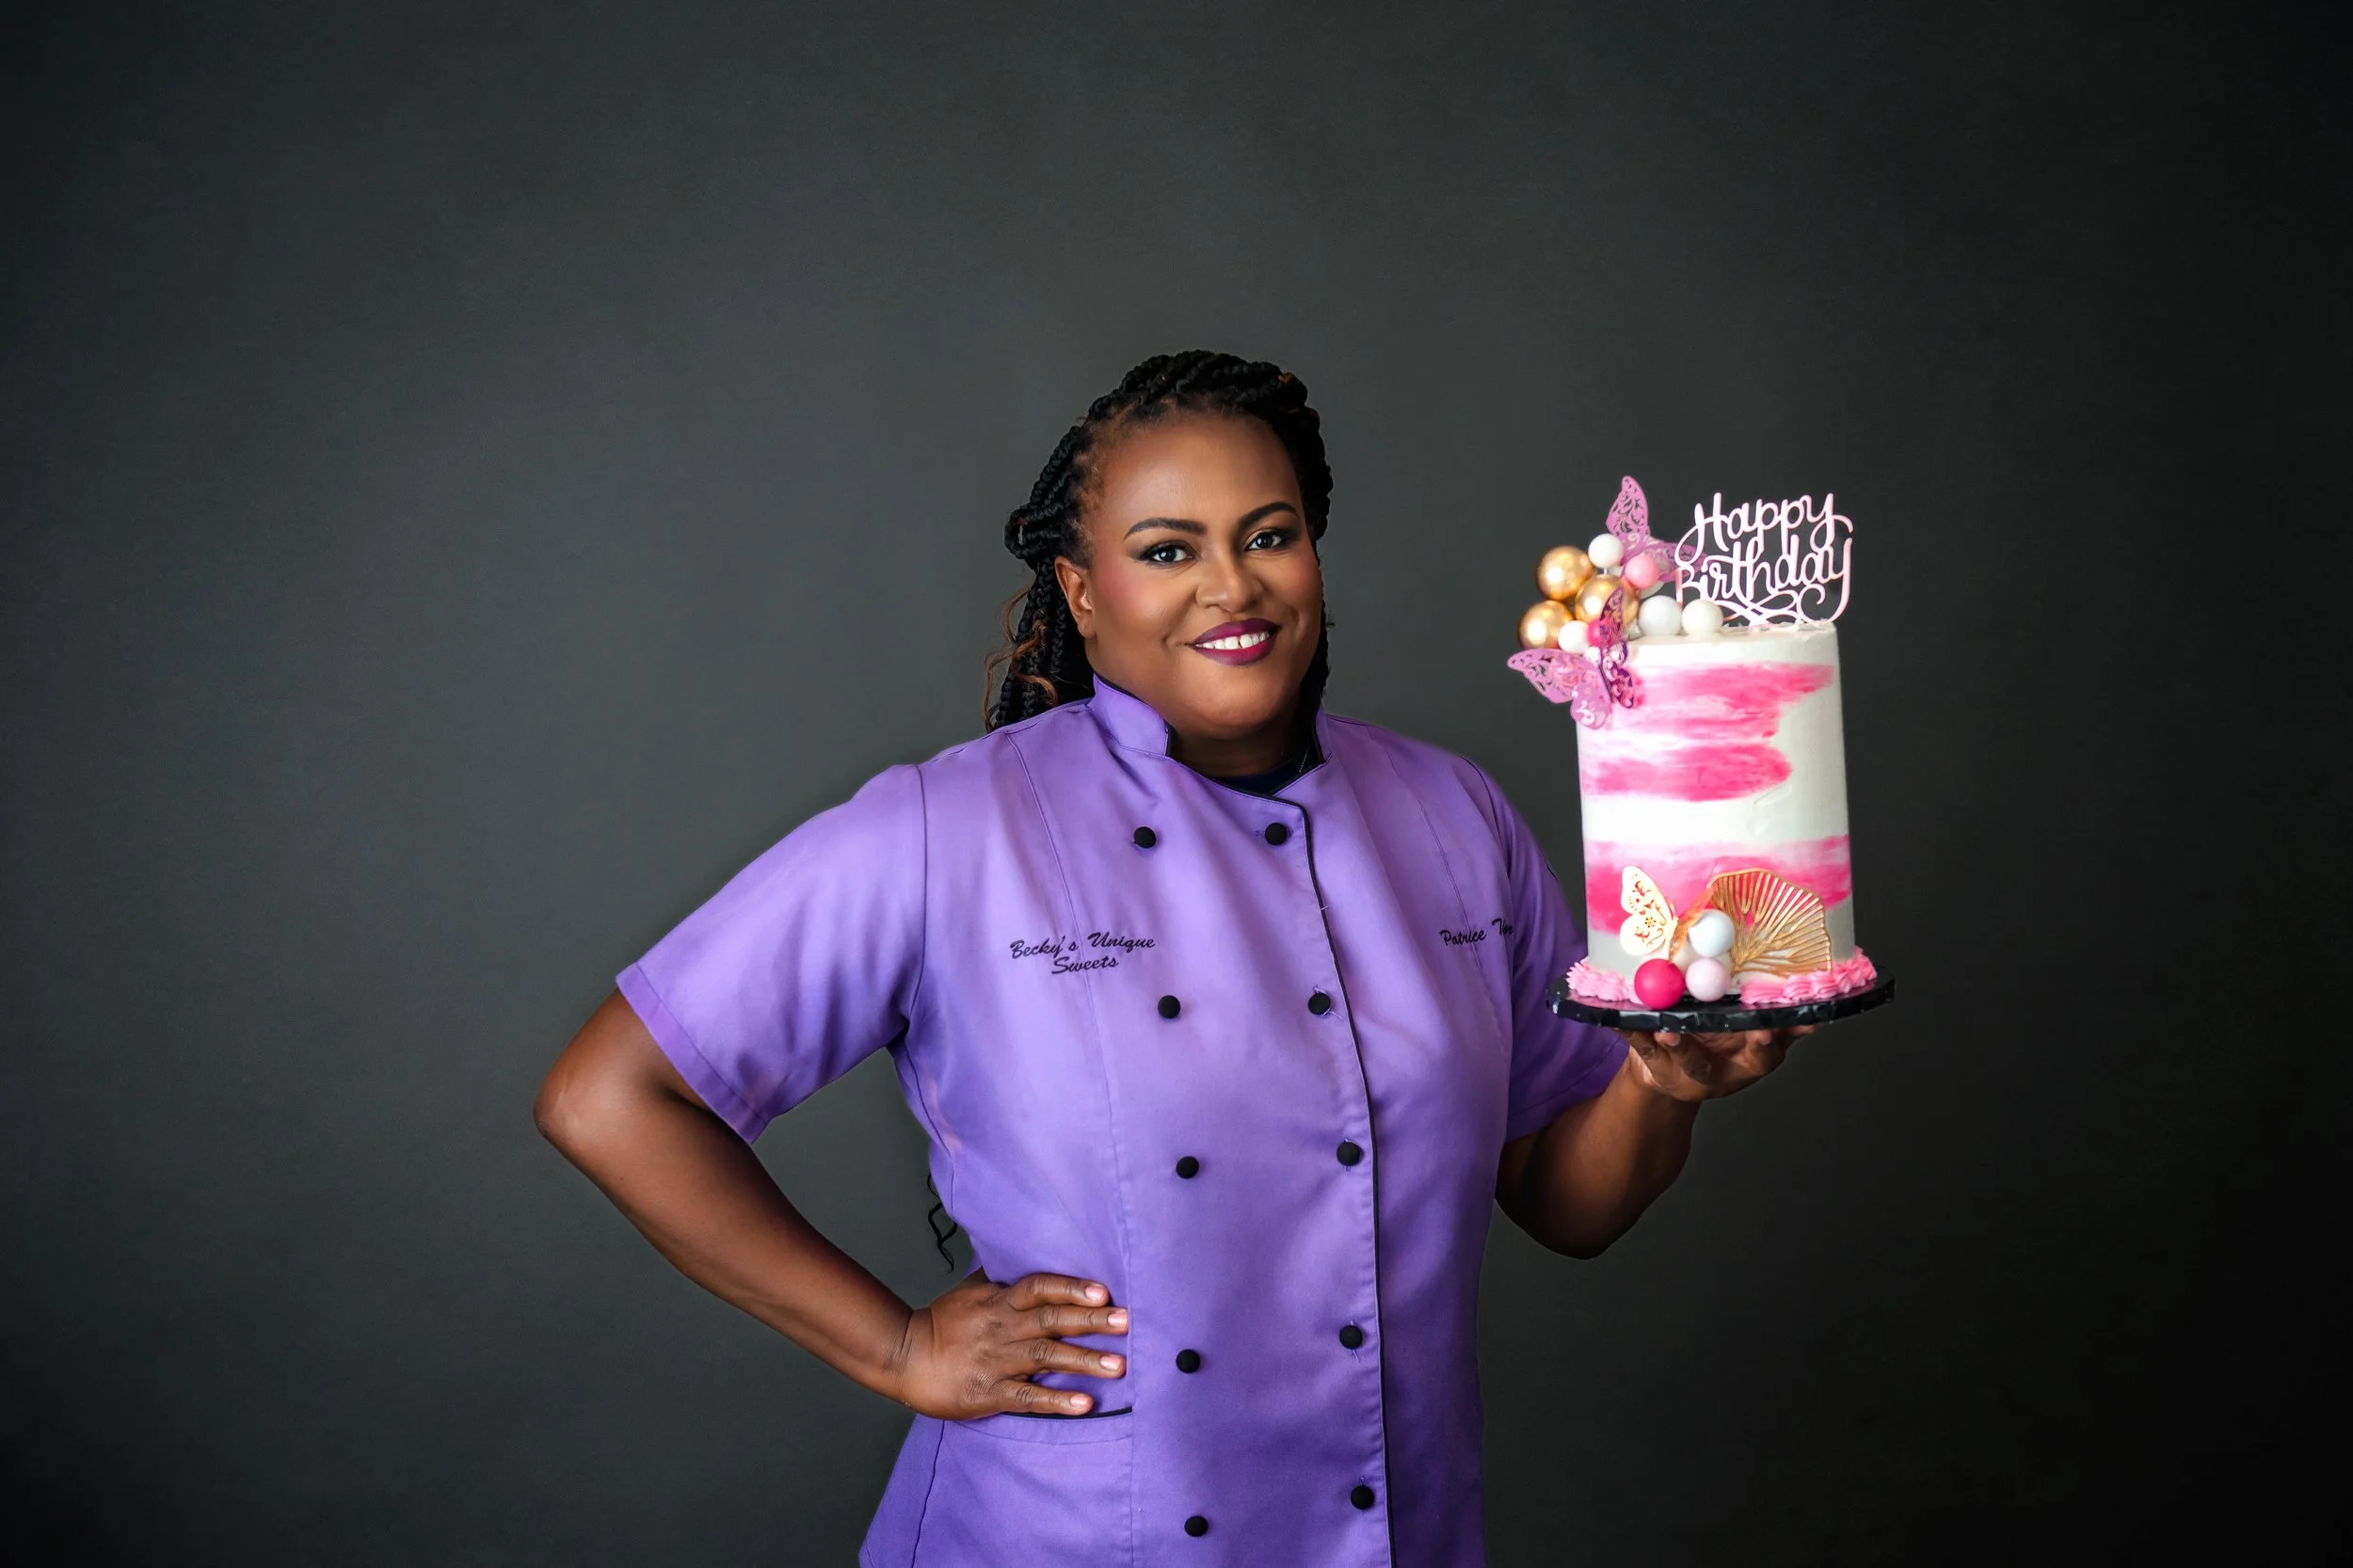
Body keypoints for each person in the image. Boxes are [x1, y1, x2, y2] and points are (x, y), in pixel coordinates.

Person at [535, 350, 1813, 1566]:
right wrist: (898, 1348)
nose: (1233, 586)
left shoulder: (1451, 813)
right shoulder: (950, 829)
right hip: (1071, 1536)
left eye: (1269, 534)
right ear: (1083, 591)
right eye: (1166, 551)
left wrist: (1658, 1089)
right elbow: (609, 1095)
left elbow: (1561, 1199)